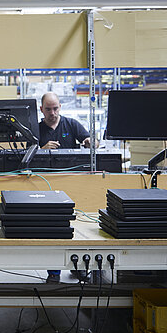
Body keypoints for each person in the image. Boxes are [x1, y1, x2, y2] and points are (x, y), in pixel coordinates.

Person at [39, 92, 98, 283]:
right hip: (47, 185)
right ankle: (54, 273)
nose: (52, 113)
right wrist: (42, 149)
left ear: (60, 107)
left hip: (73, 182)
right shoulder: (37, 129)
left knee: (77, 227)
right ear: (41, 110)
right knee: (54, 229)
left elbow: (93, 142)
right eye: (48, 109)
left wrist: (90, 142)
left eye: (55, 108)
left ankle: (80, 267)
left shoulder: (71, 124)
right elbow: (25, 156)